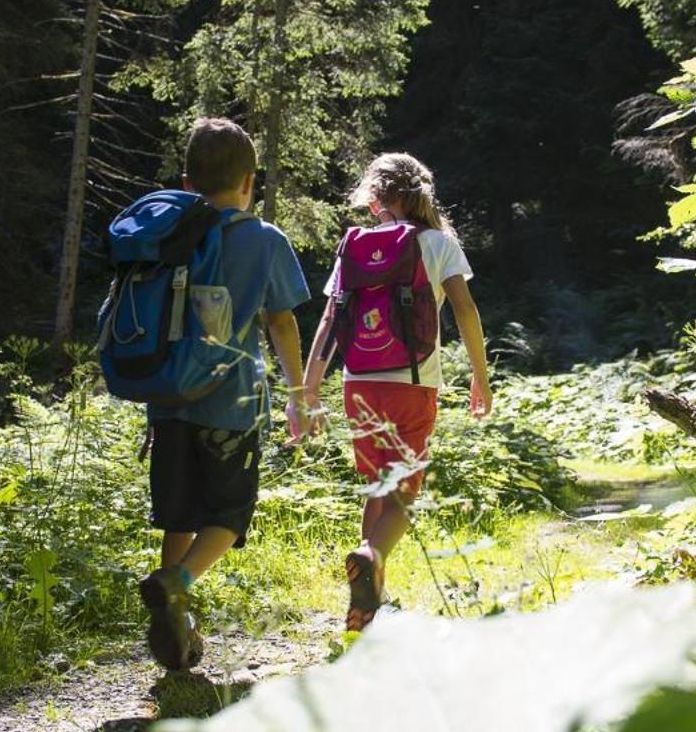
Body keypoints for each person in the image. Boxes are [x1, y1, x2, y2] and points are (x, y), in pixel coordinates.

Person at [136, 118, 314, 670]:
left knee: (179, 515)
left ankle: (178, 627)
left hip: (167, 399)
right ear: (249, 181)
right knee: (230, 515)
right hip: (231, 403)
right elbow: (281, 321)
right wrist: (300, 393)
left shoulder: (170, 234)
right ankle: (176, 584)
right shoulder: (263, 239)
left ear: (188, 182)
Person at [301, 153, 491, 633]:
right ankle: (370, 556)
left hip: (357, 382)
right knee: (404, 493)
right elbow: (465, 310)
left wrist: (308, 388)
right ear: (421, 196)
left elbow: (329, 320)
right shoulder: (438, 244)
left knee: (376, 486)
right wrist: (479, 373)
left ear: (374, 202)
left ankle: (369, 604)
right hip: (413, 383)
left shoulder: (354, 247)